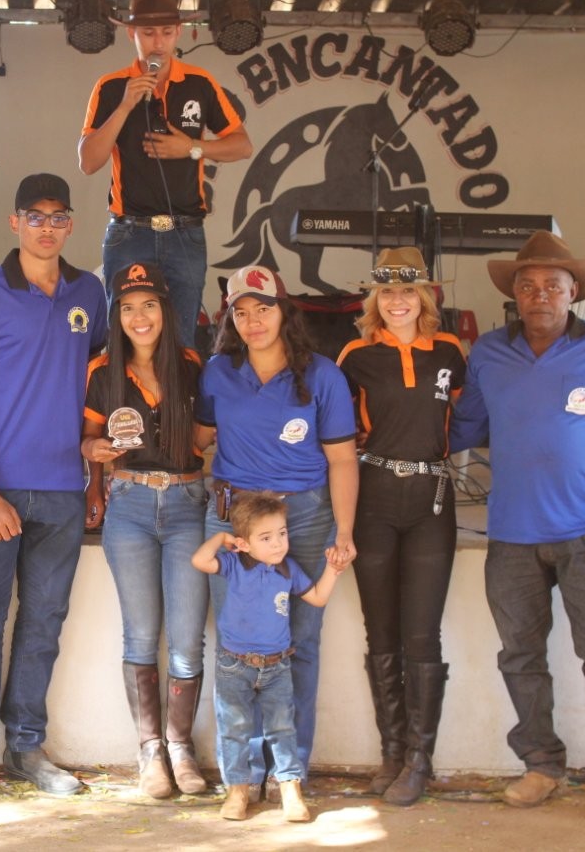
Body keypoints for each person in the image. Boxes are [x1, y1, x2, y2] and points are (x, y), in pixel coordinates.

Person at [449, 231, 585, 828]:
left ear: (574, 293)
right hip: (512, 535)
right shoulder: (488, 352)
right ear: (514, 295)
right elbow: (463, 427)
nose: (540, 294)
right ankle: (541, 765)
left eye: (553, 285)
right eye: (528, 285)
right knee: (520, 657)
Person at [0, 174, 108, 803]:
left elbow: (97, 389)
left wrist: (94, 471)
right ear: (15, 222)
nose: (47, 227)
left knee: (43, 623)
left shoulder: (89, 293)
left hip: (62, 489)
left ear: (70, 224)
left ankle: (26, 748)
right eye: (35, 216)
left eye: (58, 217)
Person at [195, 265, 357, 800]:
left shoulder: (323, 375)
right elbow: (198, 437)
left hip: (303, 518)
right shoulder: (218, 372)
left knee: (300, 642)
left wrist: (344, 530)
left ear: (285, 312)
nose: (253, 321)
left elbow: (342, 460)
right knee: (237, 646)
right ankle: (241, 778)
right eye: (240, 312)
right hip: (234, 517)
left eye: (263, 309)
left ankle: (289, 773)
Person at [335, 248, 466, 806]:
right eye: (386, 291)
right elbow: (336, 428)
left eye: (408, 290)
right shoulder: (356, 354)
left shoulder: (450, 350)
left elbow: (462, 417)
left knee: (422, 632)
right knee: (381, 629)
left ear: (424, 296)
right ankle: (392, 752)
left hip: (432, 498)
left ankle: (419, 760)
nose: (397, 301)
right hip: (375, 495)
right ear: (375, 299)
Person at [80, 262, 208, 798]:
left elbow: (205, 438)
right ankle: (150, 750)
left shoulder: (192, 364)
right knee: (139, 633)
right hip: (129, 504)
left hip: (187, 504)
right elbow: (89, 438)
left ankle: (181, 747)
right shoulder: (102, 370)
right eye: (129, 307)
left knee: (187, 638)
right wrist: (95, 456)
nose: (140, 317)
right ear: (117, 315)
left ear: (165, 310)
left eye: (149, 305)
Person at [78, 0, 252, 347]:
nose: (158, 42)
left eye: (166, 32)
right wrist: (126, 105)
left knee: (182, 340)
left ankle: (179, 387)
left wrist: (192, 147)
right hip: (129, 231)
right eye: (148, 33)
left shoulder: (199, 82)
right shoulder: (110, 86)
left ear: (179, 33)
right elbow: (88, 161)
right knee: (125, 340)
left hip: (185, 231)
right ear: (131, 33)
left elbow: (242, 145)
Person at [192, 491, 347, 823]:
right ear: (244, 543)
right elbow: (201, 561)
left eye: (282, 533)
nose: (278, 543)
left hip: (277, 666)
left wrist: (333, 570)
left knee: (282, 728)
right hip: (234, 665)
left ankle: (290, 788)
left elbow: (318, 598)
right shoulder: (234, 564)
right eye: (266, 537)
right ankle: (237, 790)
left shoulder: (288, 570)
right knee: (235, 729)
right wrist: (221, 538)